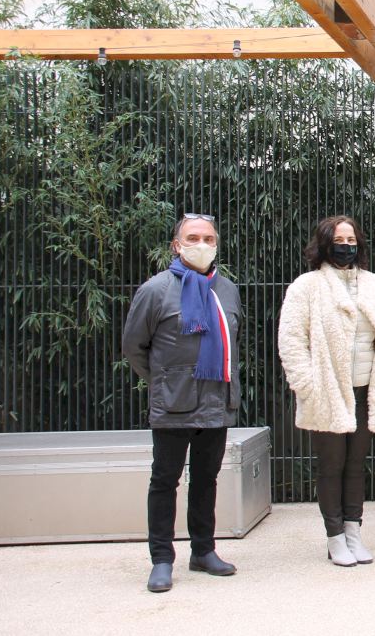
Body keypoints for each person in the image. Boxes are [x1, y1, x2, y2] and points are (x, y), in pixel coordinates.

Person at [122, 213, 241, 593]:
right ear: (176, 245)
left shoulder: (227, 289)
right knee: (164, 481)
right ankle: (161, 559)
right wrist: (164, 380)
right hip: (173, 403)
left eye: (208, 238)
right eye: (193, 238)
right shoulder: (155, 290)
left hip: (216, 402)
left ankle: (203, 551)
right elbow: (134, 346)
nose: (201, 244)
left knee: (206, 479)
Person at [277, 216, 375, 566]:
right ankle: (334, 537)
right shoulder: (307, 286)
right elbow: (291, 340)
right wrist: (307, 385)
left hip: (366, 390)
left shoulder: (374, 284)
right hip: (328, 391)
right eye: (339, 239)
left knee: (356, 465)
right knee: (331, 465)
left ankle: (353, 533)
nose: (346, 245)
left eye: (351, 239)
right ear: (324, 243)